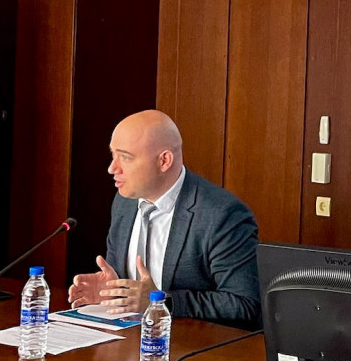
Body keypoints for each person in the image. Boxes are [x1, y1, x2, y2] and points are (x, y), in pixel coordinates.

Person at [68, 110, 261, 329]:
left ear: (164, 160)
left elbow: (244, 304)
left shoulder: (222, 214)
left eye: (125, 157)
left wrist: (161, 302)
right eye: (113, 155)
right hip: (131, 338)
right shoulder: (124, 202)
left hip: (193, 344)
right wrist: (115, 292)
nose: (112, 168)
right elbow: (136, 292)